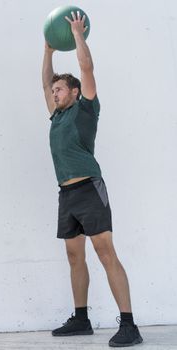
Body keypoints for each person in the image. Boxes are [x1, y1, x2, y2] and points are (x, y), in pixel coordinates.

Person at [41, 11, 143, 347]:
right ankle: (81, 318)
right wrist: (48, 50)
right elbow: (44, 82)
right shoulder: (57, 116)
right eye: (53, 90)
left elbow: (87, 69)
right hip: (66, 194)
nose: (53, 93)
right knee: (74, 256)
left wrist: (76, 35)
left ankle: (129, 325)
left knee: (105, 252)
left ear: (72, 91)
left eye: (59, 89)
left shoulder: (86, 107)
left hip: (88, 188)